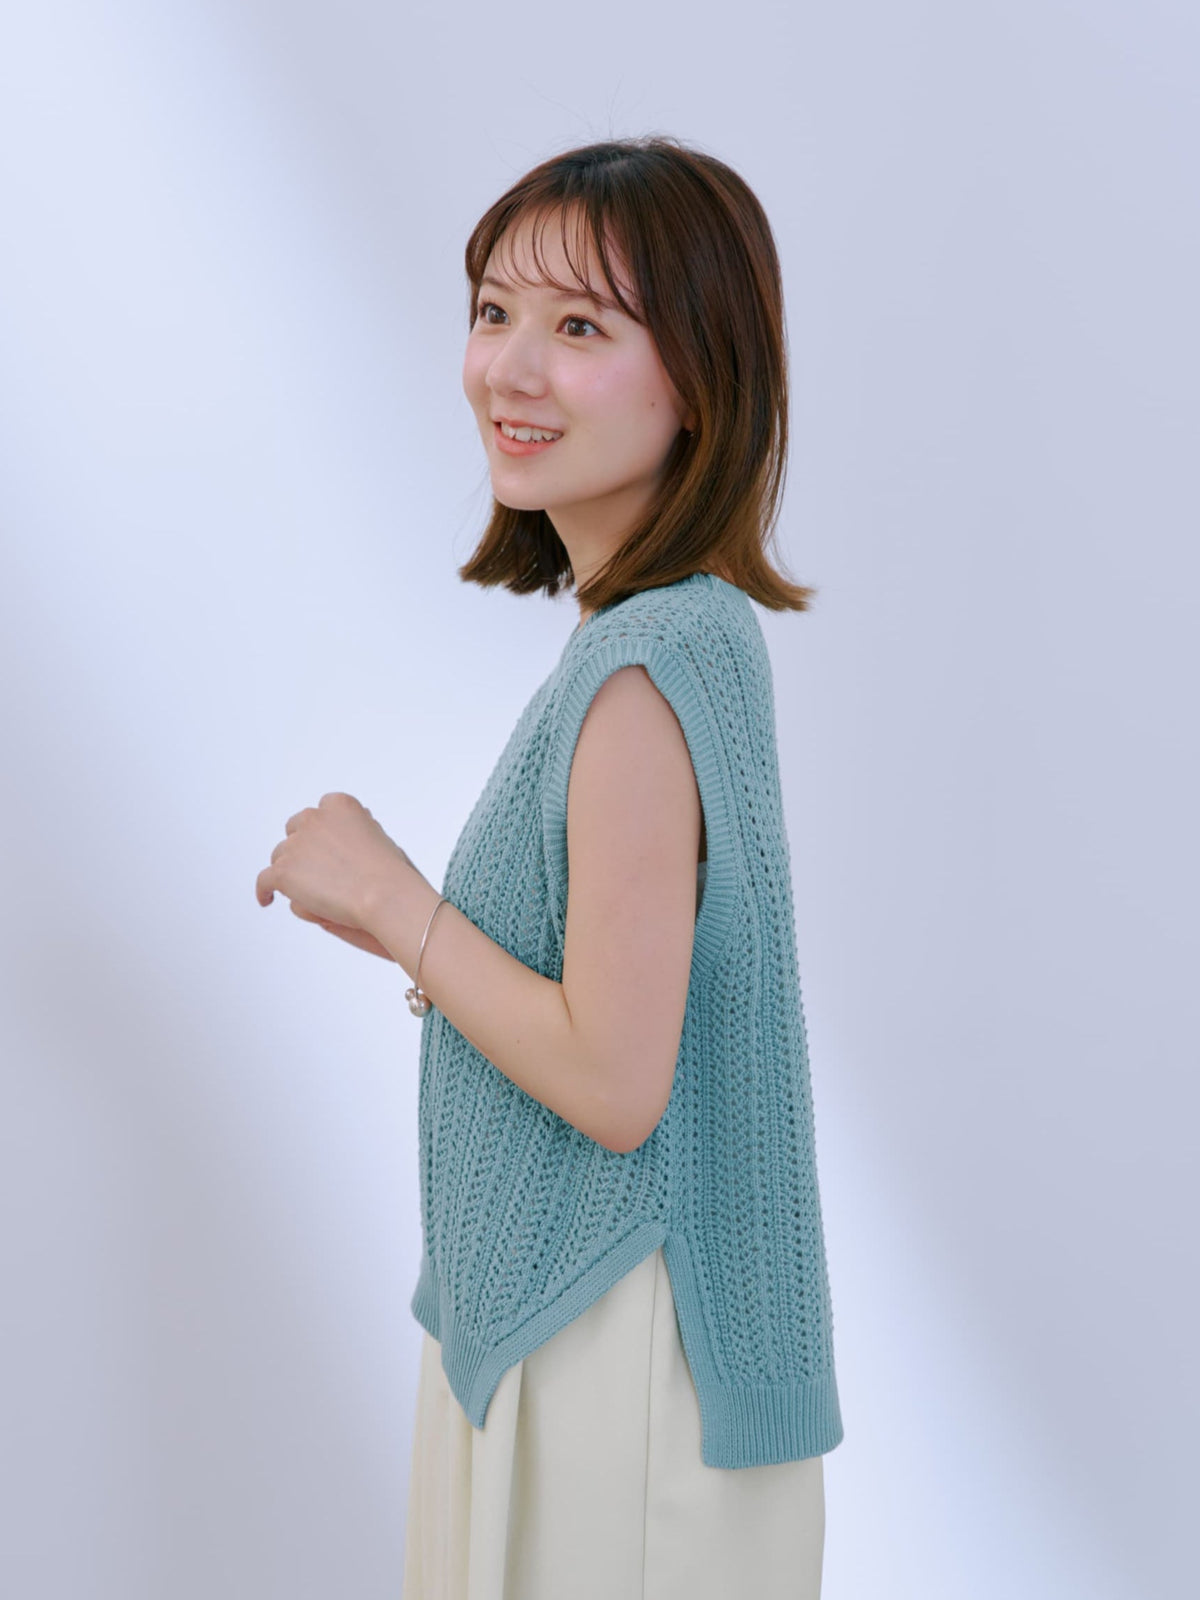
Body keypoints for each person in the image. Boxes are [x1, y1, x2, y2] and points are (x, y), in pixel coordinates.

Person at [256, 134, 843, 1600]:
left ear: (701, 377)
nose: (509, 370)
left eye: (581, 327)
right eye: (494, 311)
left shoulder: (649, 660)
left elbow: (614, 1079)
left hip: (610, 1363)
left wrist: (396, 902)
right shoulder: (652, 638)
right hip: (584, 1331)